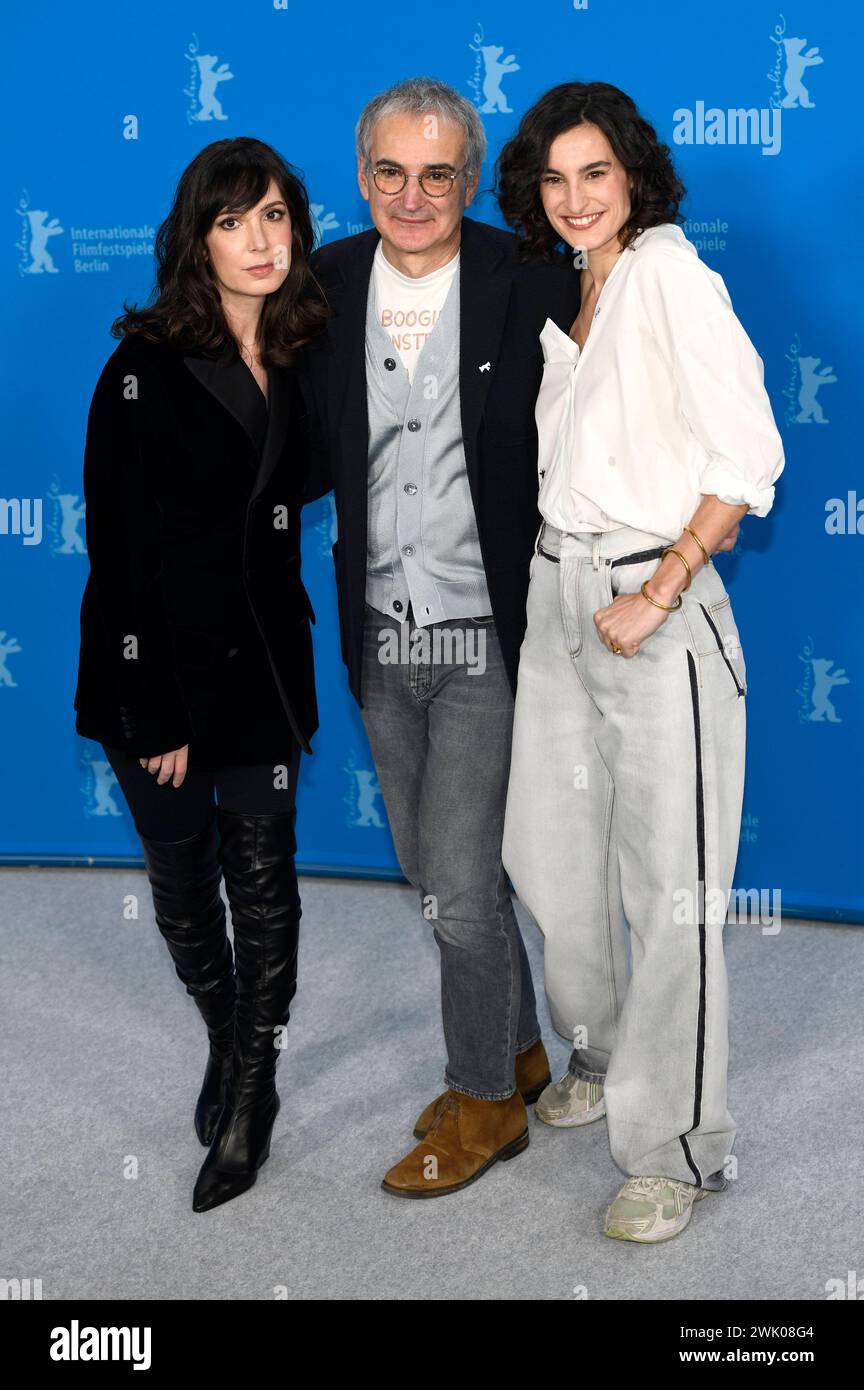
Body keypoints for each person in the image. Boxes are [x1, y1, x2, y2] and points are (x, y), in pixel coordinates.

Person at [496, 82, 784, 1241]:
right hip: (557, 591)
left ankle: (675, 1148)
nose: (575, 199)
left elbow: (750, 456)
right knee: (549, 858)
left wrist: (658, 587)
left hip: (652, 603)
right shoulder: (572, 285)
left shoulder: (668, 272)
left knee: (671, 894)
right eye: (555, 180)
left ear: (635, 176)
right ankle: (605, 1054)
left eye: (595, 175)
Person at [298, 77, 581, 1197]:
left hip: (483, 636)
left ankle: (482, 1102)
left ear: (468, 180)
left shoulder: (531, 280)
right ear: (361, 172)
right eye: (389, 173)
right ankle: (515, 1048)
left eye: (438, 175)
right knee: (431, 869)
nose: (412, 197)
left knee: (460, 887)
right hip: (379, 628)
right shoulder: (321, 283)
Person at [73, 136, 330, 1213]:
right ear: (196, 238)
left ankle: (255, 1086)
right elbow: (120, 557)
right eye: (234, 220)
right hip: (161, 678)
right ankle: (227, 1035)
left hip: (264, 669)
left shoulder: (309, 352)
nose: (260, 239)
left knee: (266, 885)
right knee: (186, 891)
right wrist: (156, 708)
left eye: (275, 215)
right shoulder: (141, 371)